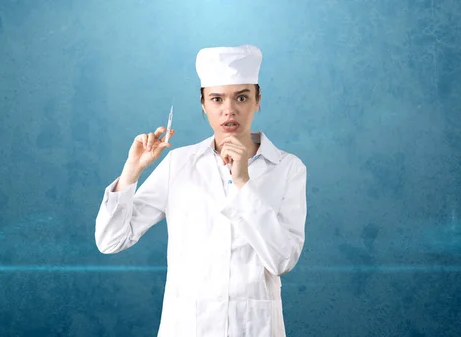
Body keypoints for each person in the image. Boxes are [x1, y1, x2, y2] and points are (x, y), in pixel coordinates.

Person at [95, 45, 308, 337]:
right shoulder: (179, 164)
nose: (229, 109)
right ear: (203, 104)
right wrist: (132, 170)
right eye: (217, 98)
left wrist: (243, 182)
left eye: (242, 97)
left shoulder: (287, 168)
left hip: (254, 328)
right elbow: (111, 240)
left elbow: (282, 260)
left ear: (258, 100)